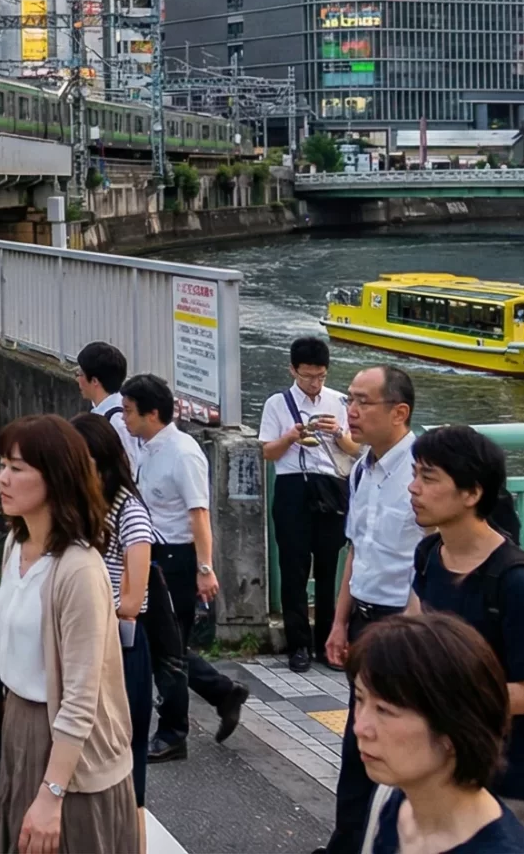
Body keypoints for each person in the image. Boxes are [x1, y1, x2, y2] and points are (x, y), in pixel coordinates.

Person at [0, 416, 141, 854]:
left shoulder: (78, 568)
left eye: (17, 468)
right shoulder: (16, 545)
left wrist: (52, 795)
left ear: (57, 477)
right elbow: (33, 641)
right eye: (3, 464)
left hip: (65, 748)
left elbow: (80, 696)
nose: (2, 478)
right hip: (15, 729)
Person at [406, 426, 524, 853]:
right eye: (415, 474)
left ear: (471, 493)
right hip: (456, 773)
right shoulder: (430, 556)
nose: (414, 488)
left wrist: (447, 702)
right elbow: (414, 639)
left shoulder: (516, 582)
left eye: (429, 477)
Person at [120, 373, 248, 760]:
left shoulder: (183, 453)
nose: (123, 418)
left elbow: (199, 516)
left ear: (152, 413)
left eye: (128, 411)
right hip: (153, 554)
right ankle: (222, 692)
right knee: (163, 643)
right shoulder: (147, 447)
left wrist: (205, 569)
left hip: (176, 559)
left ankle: (174, 732)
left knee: (168, 650)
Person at [323, 366, 424, 854]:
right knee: (357, 739)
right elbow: (356, 550)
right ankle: (346, 843)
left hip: (401, 625)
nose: (352, 412)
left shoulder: (423, 472)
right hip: (364, 618)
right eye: (350, 401)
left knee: (399, 746)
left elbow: (431, 564)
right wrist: (340, 622)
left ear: (399, 412)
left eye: (364, 402)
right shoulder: (364, 465)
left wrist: (407, 634)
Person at [343, 611, 524, 854]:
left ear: (452, 729)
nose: (360, 728)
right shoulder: (393, 801)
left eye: (384, 710)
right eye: (360, 700)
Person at [70, 412, 159, 810]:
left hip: (120, 648)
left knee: (125, 765)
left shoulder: (130, 515)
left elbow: (132, 601)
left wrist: (82, 603)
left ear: (98, 461)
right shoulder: (83, 511)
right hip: (88, 640)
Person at [261, 336, 354, 673]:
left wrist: (339, 433)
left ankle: (328, 642)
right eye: (308, 376)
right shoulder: (277, 403)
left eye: (320, 376)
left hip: (329, 487)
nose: (315, 383)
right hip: (292, 488)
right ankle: (298, 644)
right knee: (294, 568)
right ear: (293, 370)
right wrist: (290, 437)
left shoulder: (340, 401)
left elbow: (356, 450)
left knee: (330, 567)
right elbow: (267, 452)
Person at [74, 342, 138, 465]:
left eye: (80, 374)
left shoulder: (118, 422)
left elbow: (132, 467)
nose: (77, 379)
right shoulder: (98, 410)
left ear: (94, 381)